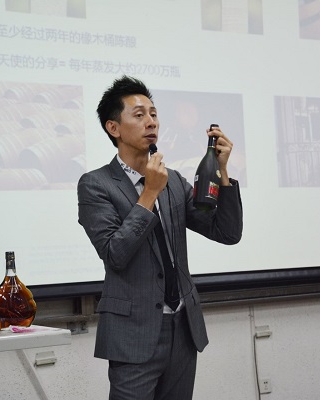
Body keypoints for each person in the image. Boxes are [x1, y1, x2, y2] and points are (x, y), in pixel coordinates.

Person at [77, 75, 243, 400]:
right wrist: (149, 192)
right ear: (114, 127)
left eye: (153, 114)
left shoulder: (174, 181)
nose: (151, 122)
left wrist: (222, 172)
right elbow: (115, 254)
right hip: (133, 334)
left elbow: (226, 232)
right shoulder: (96, 185)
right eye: (139, 115)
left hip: (183, 327)